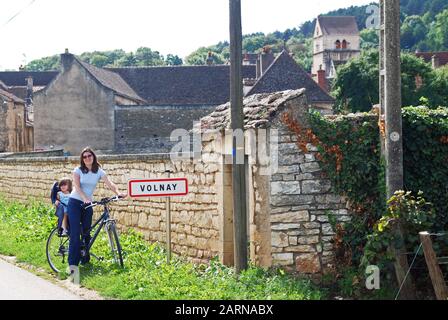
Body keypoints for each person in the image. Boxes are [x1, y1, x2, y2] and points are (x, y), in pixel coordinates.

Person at [67, 147, 126, 273]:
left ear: (93, 157)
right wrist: (84, 198)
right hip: (75, 202)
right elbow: (76, 186)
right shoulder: (78, 170)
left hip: (88, 204)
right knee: (76, 233)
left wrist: (118, 193)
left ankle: (85, 260)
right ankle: (73, 266)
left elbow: (109, 183)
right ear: (82, 159)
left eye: (90, 156)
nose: (87, 158)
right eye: (85, 156)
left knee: (87, 232)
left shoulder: (98, 171)